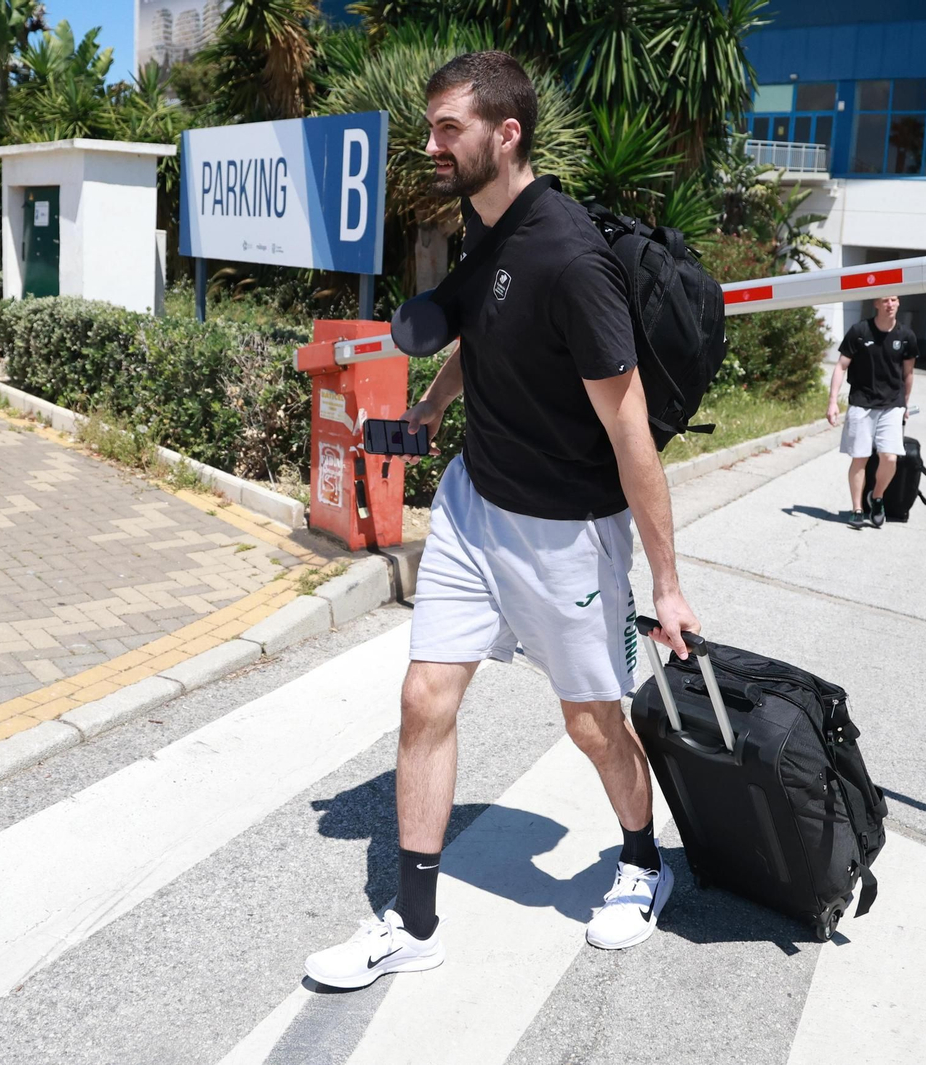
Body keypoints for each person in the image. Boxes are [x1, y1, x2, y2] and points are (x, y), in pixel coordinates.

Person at [304, 51, 701, 990]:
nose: (431, 144)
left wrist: (669, 582)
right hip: (475, 504)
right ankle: (413, 921)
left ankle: (642, 860)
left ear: (506, 134)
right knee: (424, 697)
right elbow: (482, 328)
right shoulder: (485, 224)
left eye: (449, 128)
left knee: (591, 723)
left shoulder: (570, 260)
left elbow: (631, 434)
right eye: (430, 127)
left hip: (565, 533)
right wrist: (435, 404)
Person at [826, 294, 916, 528]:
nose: (890, 304)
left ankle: (876, 498)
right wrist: (833, 401)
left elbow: (908, 373)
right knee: (860, 458)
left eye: (894, 300)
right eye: (885, 300)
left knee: (890, 457)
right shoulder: (860, 331)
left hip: (892, 405)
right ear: (876, 304)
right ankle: (857, 508)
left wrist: (905, 404)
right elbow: (841, 366)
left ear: (899, 303)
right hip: (861, 402)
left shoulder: (906, 336)